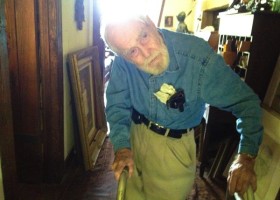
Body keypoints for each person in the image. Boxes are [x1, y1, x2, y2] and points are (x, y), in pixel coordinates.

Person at [103, 14, 263, 200]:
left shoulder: (198, 58)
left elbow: (247, 104)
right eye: (133, 52)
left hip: (173, 150)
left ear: (151, 23)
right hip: (134, 137)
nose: (146, 53)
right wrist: (122, 147)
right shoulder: (122, 60)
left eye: (144, 36)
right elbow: (116, 105)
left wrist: (246, 156)